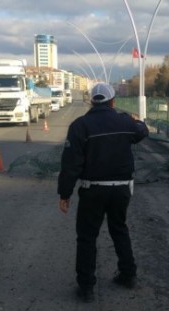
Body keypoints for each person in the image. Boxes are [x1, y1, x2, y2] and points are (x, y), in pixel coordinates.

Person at [57, 82, 149, 302]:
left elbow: (71, 164)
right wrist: (137, 120)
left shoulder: (80, 126)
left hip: (92, 191)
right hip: (121, 189)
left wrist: (65, 194)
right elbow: (142, 132)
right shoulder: (124, 121)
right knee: (119, 229)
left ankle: (86, 287)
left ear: (91, 101)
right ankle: (128, 275)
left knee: (87, 237)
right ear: (113, 102)